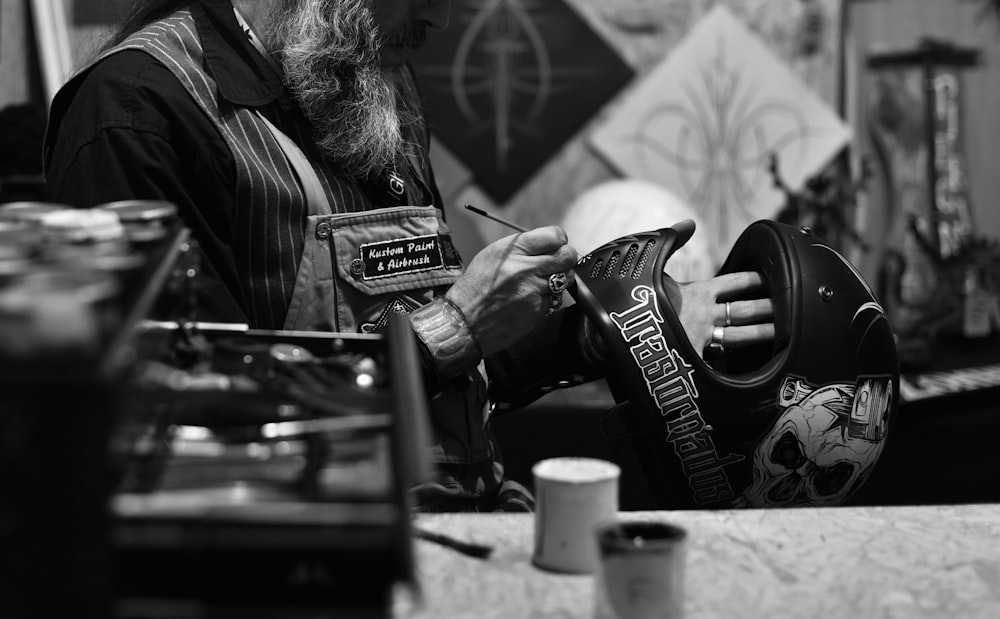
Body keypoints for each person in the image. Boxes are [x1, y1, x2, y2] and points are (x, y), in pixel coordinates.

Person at [43, 0, 774, 511]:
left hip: (459, 526)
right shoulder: (135, 115)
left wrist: (612, 324)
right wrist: (454, 325)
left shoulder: (362, 81)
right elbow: (186, 425)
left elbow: (456, 379)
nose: (440, 18)